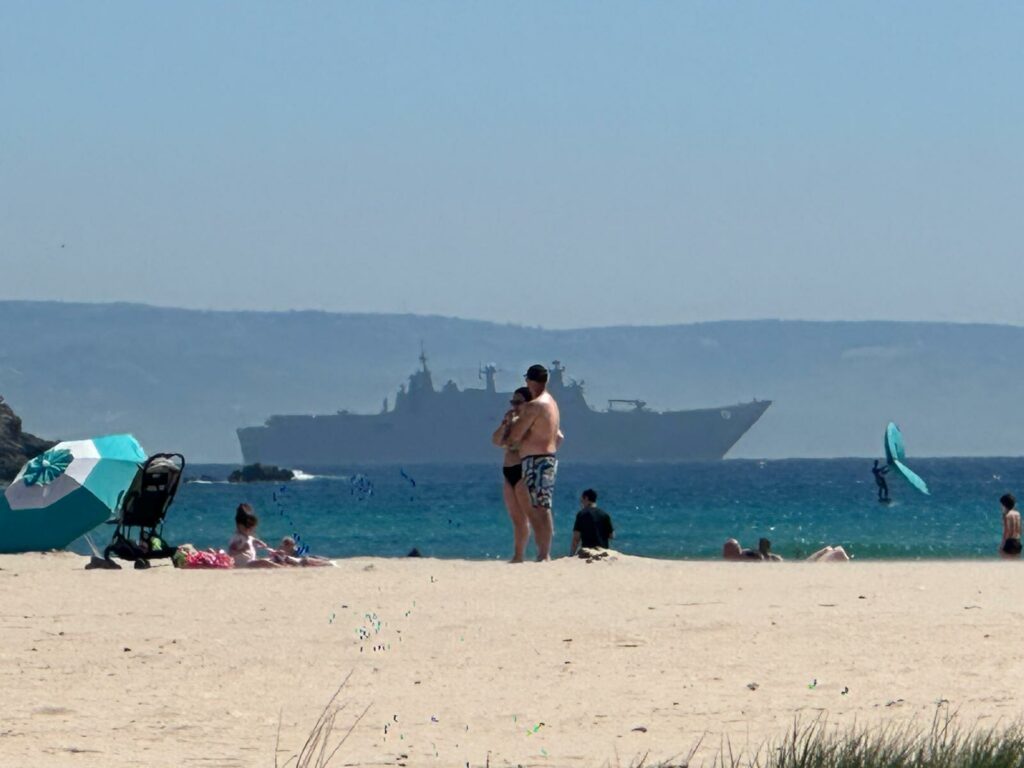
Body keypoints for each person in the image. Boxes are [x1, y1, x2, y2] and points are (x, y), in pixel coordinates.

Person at [503, 364, 563, 561]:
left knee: (539, 509)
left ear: (529, 381)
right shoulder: (551, 402)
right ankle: (544, 553)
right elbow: (560, 437)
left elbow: (514, 436)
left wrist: (510, 427)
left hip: (535, 460)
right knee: (542, 506)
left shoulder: (535, 406)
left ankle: (544, 554)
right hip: (546, 458)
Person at [491, 386, 534, 563]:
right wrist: (505, 424)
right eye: (513, 402)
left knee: (528, 516)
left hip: (523, 470)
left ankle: (534, 553)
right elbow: (496, 440)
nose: (515, 406)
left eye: (518, 402)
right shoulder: (511, 422)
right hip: (508, 470)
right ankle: (518, 555)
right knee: (516, 518)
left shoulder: (532, 423)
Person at [227, 504, 281, 568]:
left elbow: (251, 539)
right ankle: (281, 568)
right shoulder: (238, 539)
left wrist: (258, 542)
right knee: (263, 562)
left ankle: (281, 564)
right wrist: (242, 550)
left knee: (270, 559)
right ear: (240, 527)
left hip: (250, 561)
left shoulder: (246, 536)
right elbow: (230, 552)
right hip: (244, 564)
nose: (250, 531)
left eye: (251, 529)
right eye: (248, 529)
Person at [570, 488, 614, 556]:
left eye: (582, 500)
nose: (581, 502)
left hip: (588, 552)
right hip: (603, 551)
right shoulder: (605, 514)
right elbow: (612, 536)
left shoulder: (581, 514)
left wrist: (572, 554)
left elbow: (576, 538)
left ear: (586, 498)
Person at [999, 493, 1021, 558]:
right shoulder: (1018, 514)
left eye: (1001, 505)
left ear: (1004, 505)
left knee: (1005, 559)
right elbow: (1019, 529)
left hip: (1009, 542)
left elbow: (1006, 531)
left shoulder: (1006, 515)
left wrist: (1002, 544)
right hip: (1017, 541)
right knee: (1015, 561)